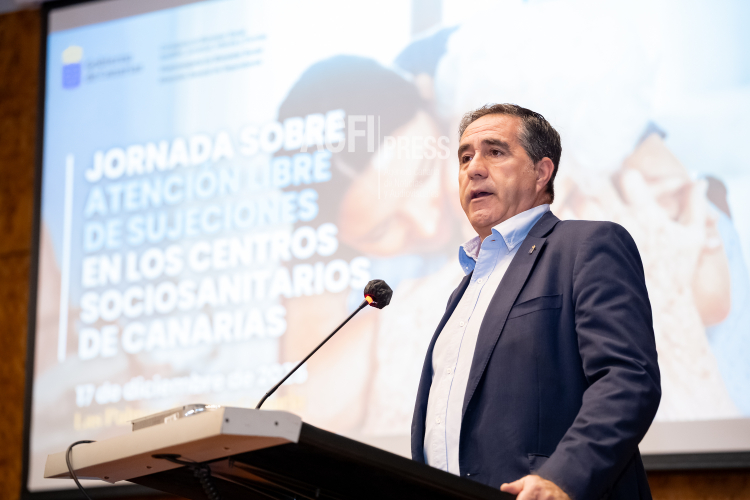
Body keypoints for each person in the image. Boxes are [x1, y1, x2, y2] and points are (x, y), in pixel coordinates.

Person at [411, 103, 661, 500]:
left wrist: (562, 478)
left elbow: (627, 379)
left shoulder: (585, 246)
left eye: (495, 151)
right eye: (465, 157)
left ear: (542, 172)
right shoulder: (463, 289)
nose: (474, 169)